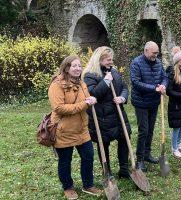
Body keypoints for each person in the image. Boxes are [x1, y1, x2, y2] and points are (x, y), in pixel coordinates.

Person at [48, 55, 102, 199]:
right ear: (66, 68)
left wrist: (92, 99)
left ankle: (88, 185)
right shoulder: (56, 85)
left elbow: (87, 98)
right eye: (74, 66)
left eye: (79, 65)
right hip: (63, 131)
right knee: (65, 161)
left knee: (88, 156)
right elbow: (59, 108)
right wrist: (85, 104)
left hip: (82, 129)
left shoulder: (82, 83)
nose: (78, 68)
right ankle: (68, 187)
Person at [82, 46, 131, 179]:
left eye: (111, 59)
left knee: (125, 137)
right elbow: (93, 94)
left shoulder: (114, 71)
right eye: (108, 60)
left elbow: (124, 87)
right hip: (101, 116)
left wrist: (122, 97)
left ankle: (124, 169)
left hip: (117, 113)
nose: (111, 62)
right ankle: (106, 170)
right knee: (103, 143)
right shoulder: (90, 75)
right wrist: (106, 82)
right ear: (100, 59)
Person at [130, 41, 168, 172]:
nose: (155, 56)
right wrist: (154, 89)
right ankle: (139, 159)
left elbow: (164, 76)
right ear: (146, 51)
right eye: (153, 53)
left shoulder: (158, 62)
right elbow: (135, 82)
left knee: (150, 130)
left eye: (157, 53)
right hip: (141, 102)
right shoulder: (136, 63)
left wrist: (163, 85)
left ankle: (147, 154)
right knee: (143, 130)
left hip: (154, 102)